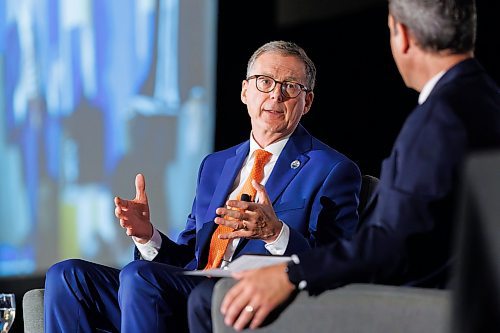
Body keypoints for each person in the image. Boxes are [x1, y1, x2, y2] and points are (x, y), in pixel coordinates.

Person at [194, 0, 500, 331]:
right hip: (465, 298)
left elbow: (390, 246)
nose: (275, 95)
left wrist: (291, 274)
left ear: (403, 35)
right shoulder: (486, 98)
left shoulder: (438, 120)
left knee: (215, 301)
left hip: (436, 307)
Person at [43, 40, 362, 332]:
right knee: (67, 276)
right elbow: (188, 258)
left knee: (138, 277)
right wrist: (148, 236)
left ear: (306, 102)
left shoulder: (332, 169)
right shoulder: (215, 165)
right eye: (264, 82)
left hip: (246, 297)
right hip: (191, 291)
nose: (275, 95)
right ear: (244, 92)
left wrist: (275, 233)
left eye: (290, 87)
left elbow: (337, 263)